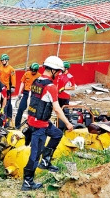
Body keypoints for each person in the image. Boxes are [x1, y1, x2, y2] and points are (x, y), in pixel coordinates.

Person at [21, 56, 73, 191]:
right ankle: (27, 182)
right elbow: (56, 109)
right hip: (39, 126)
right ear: (53, 70)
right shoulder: (50, 87)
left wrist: (29, 117)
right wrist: (68, 123)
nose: (60, 74)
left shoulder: (36, 81)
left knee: (56, 134)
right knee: (35, 154)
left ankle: (46, 161)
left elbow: (30, 101)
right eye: (59, 71)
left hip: (37, 121)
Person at [14, 63, 41, 129]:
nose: (32, 72)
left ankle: (31, 126)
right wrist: (19, 92)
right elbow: (22, 82)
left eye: (34, 71)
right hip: (26, 93)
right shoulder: (27, 74)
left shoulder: (39, 76)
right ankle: (17, 125)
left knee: (32, 111)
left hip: (34, 94)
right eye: (32, 70)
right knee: (20, 109)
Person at [0, 53, 16, 126]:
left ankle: (7, 119)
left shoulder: (11, 69)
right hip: (1, 88)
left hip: (7, 88)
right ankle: (1, 119)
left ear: (7, 60)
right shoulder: (0, 68)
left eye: (3, 60)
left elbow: (13, 78)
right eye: (1, 60)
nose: (2, 62)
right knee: (2, 103)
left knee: (7, 104)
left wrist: (13, 86)